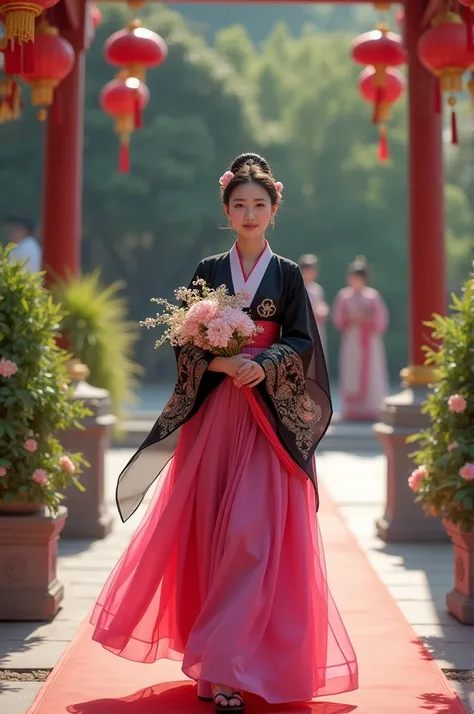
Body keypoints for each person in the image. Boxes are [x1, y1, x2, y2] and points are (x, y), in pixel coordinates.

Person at [90, 153, 358, 711]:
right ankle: (222, 667)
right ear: (227, 211)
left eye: (260, 204)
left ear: (274, 210)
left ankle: (232, 661)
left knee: (252, 537)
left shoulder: (285, 275)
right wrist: (219, 363)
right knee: (213, 530)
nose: (250, 212)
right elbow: (183, 337)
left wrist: (263, 362)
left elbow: (304, 340)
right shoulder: (209, 270)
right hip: (216, 417)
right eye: (240, 204)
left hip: (265, 418)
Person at [332, 255, 389, 422]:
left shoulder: (372, 296)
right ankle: (352, 409)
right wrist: (351, 319)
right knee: (351, 370)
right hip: (352, 337)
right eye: (352, 277)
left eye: (358, 277)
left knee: (371, 370)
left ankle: (371, 407)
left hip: (369, 339)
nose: (355, 280)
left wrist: (366, 319)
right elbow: (338, 319)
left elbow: (382, 319)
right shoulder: (344, 296)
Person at [298, 254, 329, 357]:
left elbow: (321, 305)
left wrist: (323, 311)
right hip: (302, 326)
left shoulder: (317, 289)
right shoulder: (297, 287)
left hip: (316, 326)